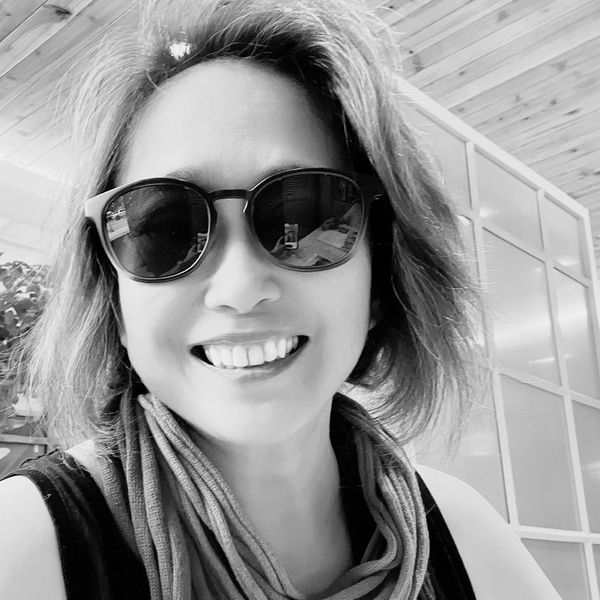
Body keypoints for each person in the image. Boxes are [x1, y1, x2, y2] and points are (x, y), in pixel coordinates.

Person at [0, 1, 562, 599]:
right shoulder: (23, 548)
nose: (240, 287)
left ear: (381, 280)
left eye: (310, 216)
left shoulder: (464, 537)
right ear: (115, 301)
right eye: (164, 229)